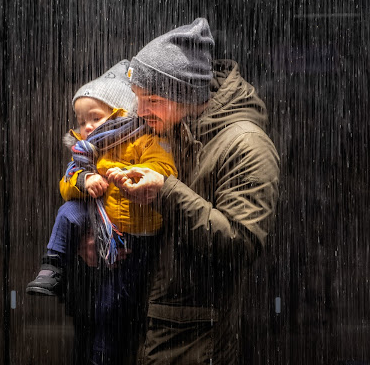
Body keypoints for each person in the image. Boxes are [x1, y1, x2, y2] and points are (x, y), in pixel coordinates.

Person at [105, 18, 280, 364]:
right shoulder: (175, 127)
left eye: (152, 100)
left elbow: (241, 242)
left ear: (186, 93)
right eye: (139, 99)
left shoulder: (246, 146)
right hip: (154, 319)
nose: (141, 111)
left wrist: (166, 192)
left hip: (193, 339)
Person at [26, 60, 177, 364]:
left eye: (95, 117)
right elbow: (66, 184)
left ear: (121, 115)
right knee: (69, 211)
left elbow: (162, 170)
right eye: (81, 121)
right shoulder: (86, 151)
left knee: (111, 310)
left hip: (131, 236)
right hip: (96, 229)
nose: (87, 127)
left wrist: (125, 173)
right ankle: (52, 265)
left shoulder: (143, 141)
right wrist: (84, 179)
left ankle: (103, 356)